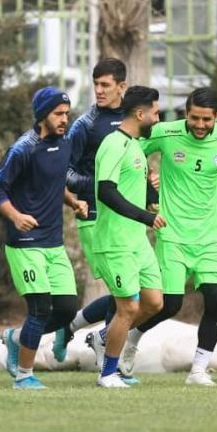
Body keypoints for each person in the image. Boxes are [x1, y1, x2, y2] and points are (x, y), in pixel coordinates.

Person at [139, 87, 217, 386]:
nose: (201, 125)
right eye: (195, 118)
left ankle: (198, 371)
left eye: (207, 119)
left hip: (210, 238)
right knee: (169, 305)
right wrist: (149, 190)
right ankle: (128, 340)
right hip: (172, 234)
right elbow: (131, 154)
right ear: (186, 114)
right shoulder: (165, 133)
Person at [0, 87, 89, 389]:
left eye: (66, 114)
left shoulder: (65, 144)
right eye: (58, 114)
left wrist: (73, 202)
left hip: (53, 242)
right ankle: (24, 375)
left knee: (67, 309)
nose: (64, 119)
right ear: (43, 114)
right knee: (40, 308)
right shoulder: (23, 148)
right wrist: (15, 216)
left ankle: (15, 338)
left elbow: (53, 182)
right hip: (25, 243)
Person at [91, 85, 165, 388]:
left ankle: (104, 336)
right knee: (128, 308)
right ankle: (108, 374)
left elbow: (136, 184)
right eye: (155, 113)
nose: (157, 119)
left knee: (154, 303)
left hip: (137, 242)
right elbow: (106, 192)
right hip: (116, 242)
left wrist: (153, 198)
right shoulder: (113, 144)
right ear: (140, 113)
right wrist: (146, 217)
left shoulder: (135, 146)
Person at [54, 58, 126, 363]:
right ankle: (108, 358)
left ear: (122, 86)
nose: (99, 90)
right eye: (96, 84)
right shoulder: (85, 125)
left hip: (125, 216)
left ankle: (70, 326)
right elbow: (65, 172)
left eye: (105, 85)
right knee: (123, 291)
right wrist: (102, 185)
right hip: (93, 216)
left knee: (131, 291)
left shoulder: (133, 118)